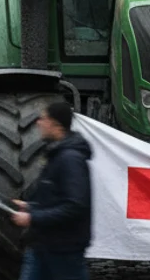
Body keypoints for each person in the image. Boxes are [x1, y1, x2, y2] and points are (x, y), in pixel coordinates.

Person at [10, 101, 92, 280]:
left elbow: (75, 206)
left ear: (56, 125)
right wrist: (31, 206)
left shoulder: (70, 159)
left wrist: (33, 217)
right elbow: (55, 195)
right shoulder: (57, 153)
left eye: (43, 119)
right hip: (43, 244)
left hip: (64, 249)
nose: (39, 123)